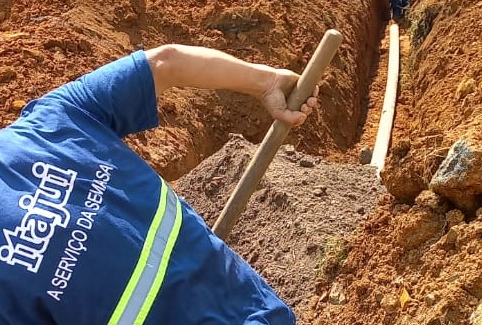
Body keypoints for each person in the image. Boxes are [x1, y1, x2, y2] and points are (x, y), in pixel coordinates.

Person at [0, 43, 319, 324]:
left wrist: (267, 84)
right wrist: (266, 83)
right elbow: (165, 62)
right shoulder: (51, 123)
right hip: (251, 307)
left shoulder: (51, 122)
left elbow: (165, 63)